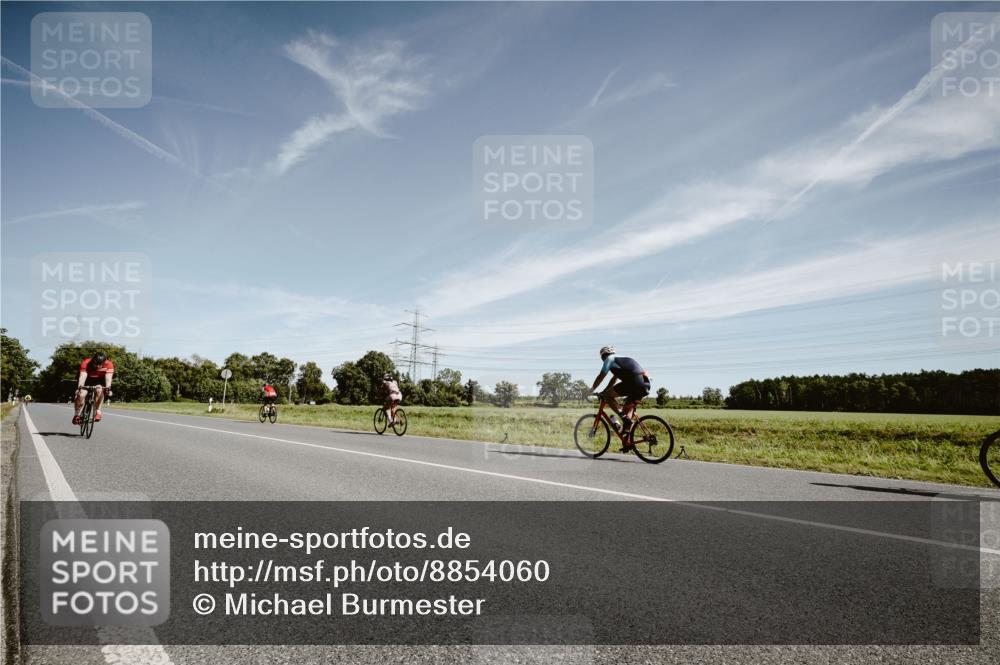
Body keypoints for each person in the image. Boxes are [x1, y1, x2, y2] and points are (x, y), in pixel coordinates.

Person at [590, 346, 650, 437]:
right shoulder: (622, 360)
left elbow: (601, 377)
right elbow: (614, 380)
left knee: (607, 396)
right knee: (627, 411)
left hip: (634, 382)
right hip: (645, 384)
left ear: (603, 356)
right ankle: (628, 440)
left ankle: (625, 419)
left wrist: (591, 390)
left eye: (602, 357)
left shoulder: (609, 359)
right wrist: (605, 391)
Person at [73, 351, 114, 424]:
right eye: (96, 364)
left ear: (104, 362)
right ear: (93, 360)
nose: (97, 366)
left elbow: (108, 378)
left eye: (100, 364)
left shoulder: (109, 364)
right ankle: (77, 414)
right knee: (81, 394)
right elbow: (83, 376)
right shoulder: (86, 363)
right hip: (87, 380)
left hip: (99, 381)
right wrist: (79, 388)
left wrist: (108, 388)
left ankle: (98, 411)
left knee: (100, 390)